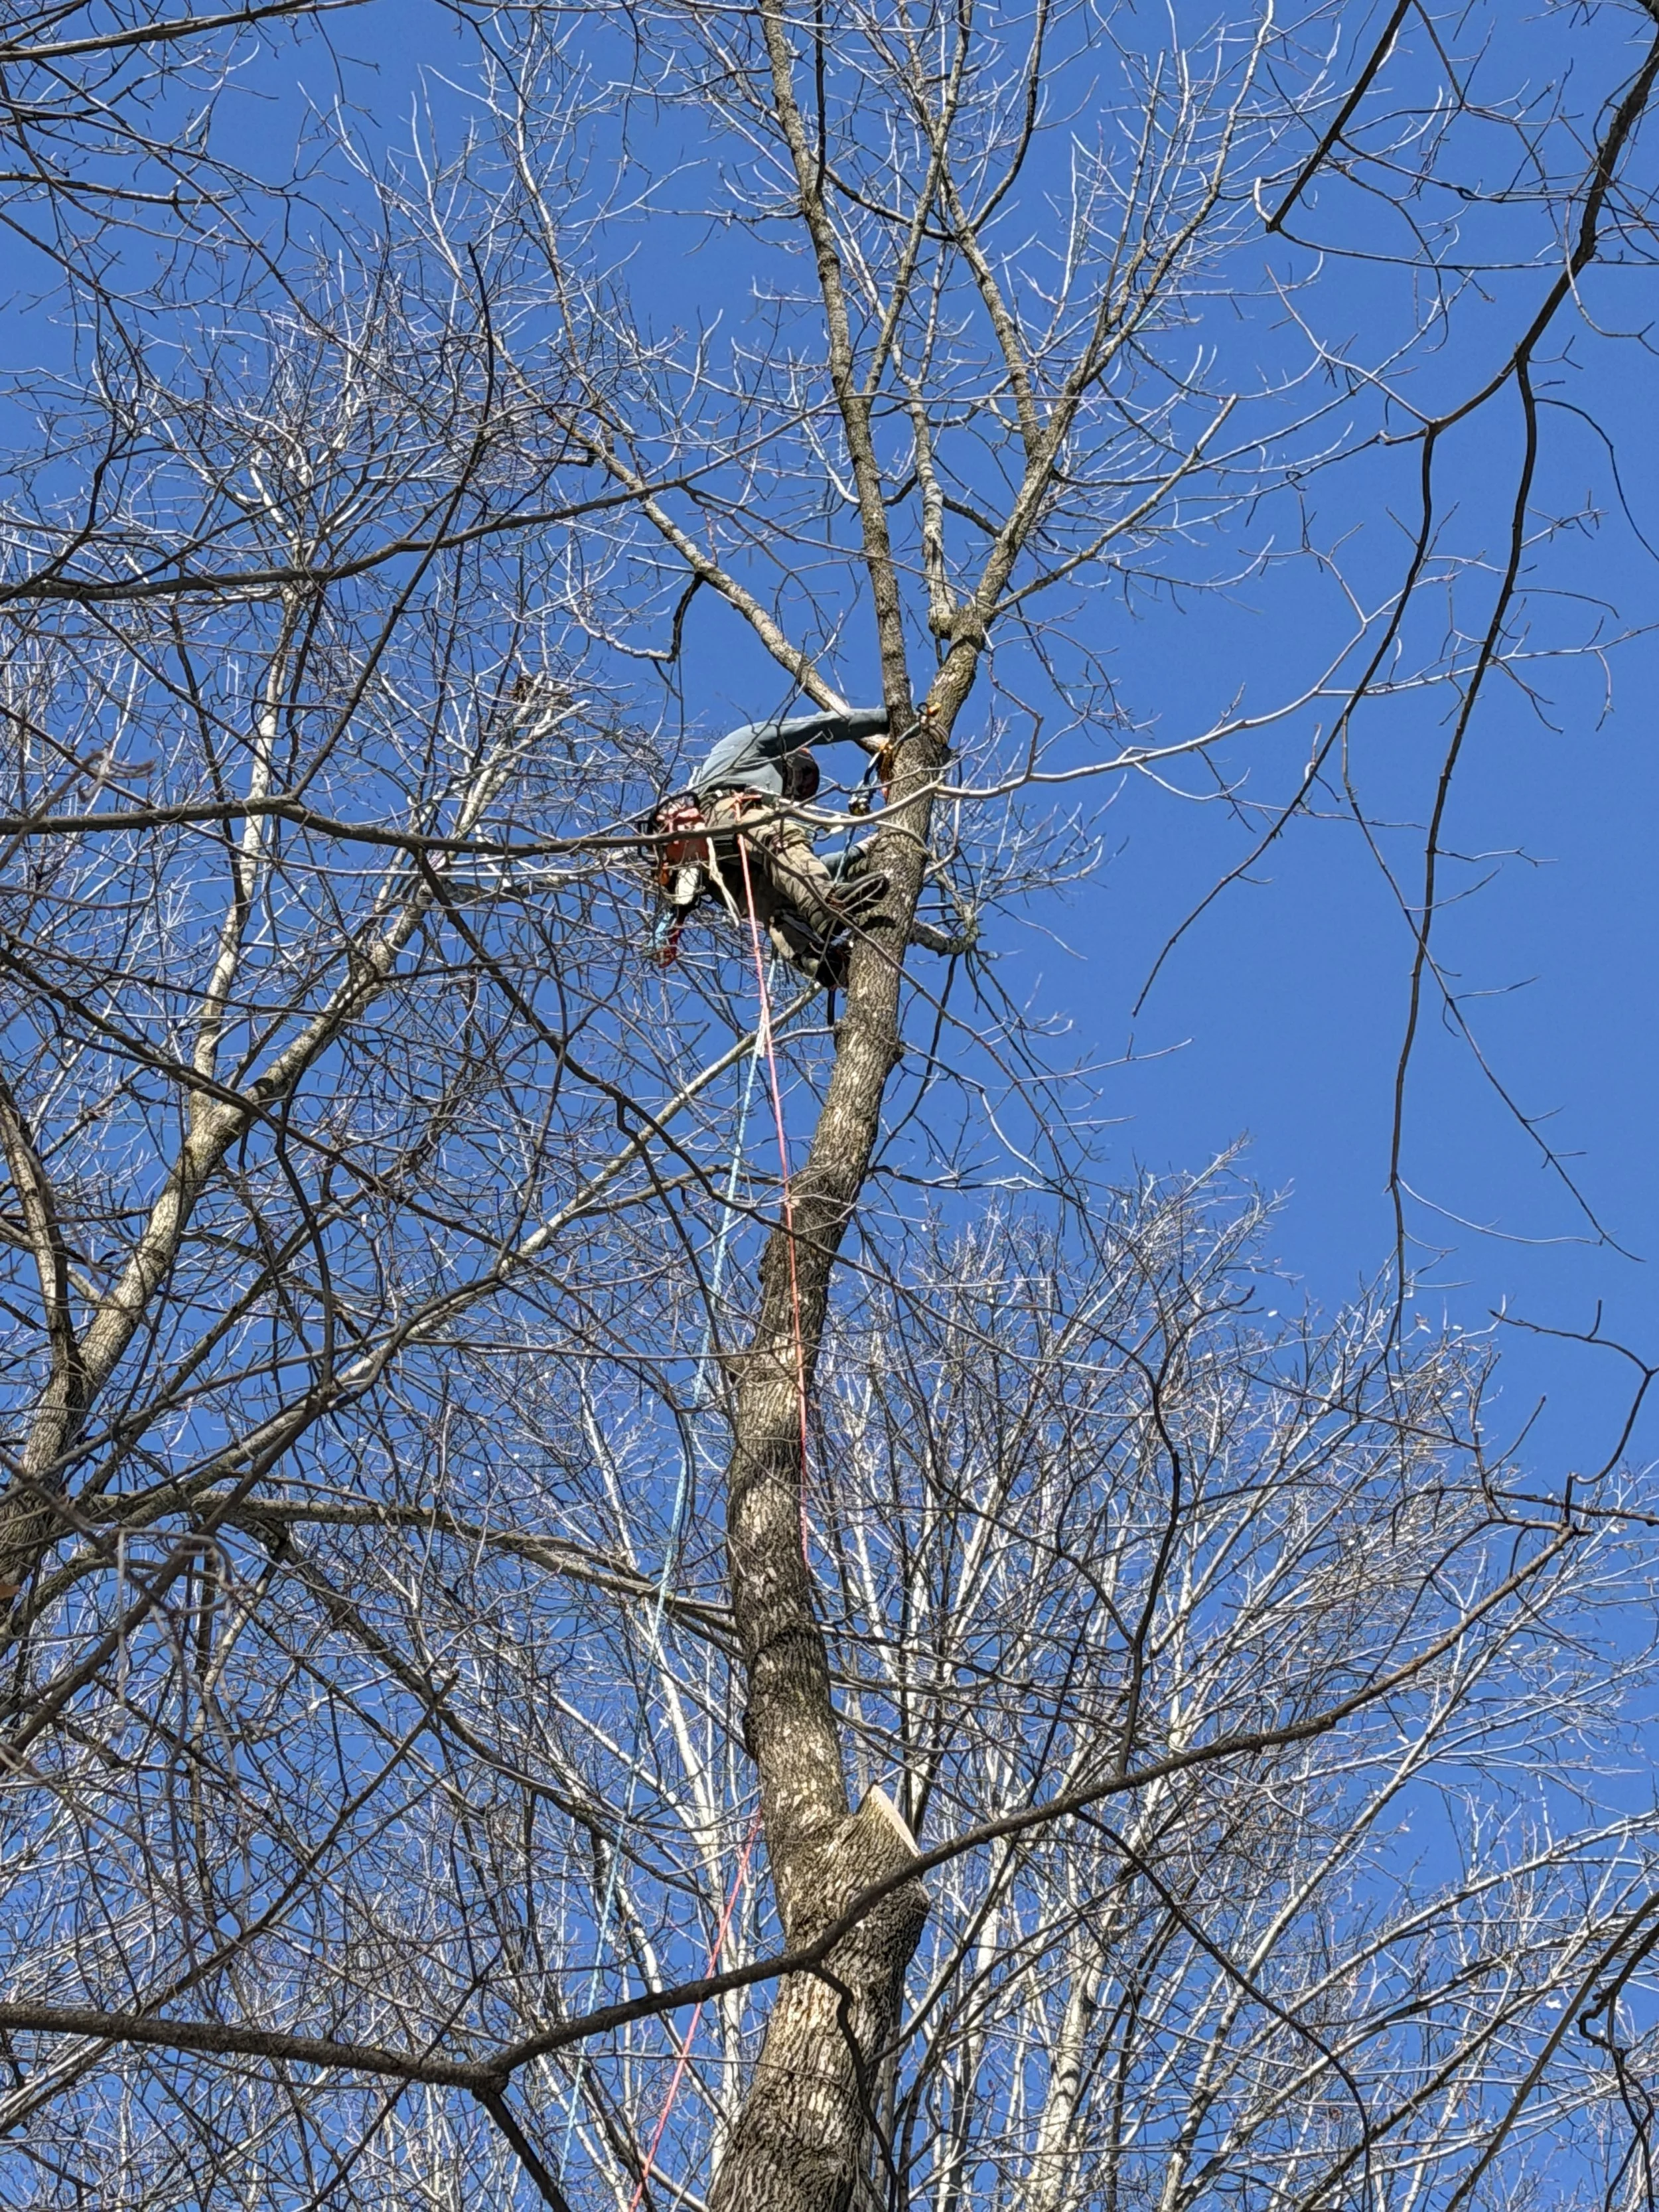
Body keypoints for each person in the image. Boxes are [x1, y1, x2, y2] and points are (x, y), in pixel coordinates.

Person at [676, 703, 894, 978]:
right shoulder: (751, 743)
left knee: (778, 901)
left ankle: (816, 960)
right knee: (783, 836)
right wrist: (887, 719)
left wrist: (859, 853)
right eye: (802, 774)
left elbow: (799, 869)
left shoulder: (758, 800)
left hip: (710, 868)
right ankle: (824, 905)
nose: (796, 788)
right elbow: (819, 727)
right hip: (723, 810)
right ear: (788, 756)